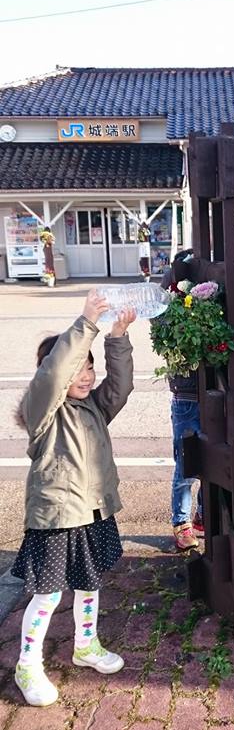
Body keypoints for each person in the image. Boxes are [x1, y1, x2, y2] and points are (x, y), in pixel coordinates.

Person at [12, 289, 136, 706]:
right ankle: (27, 663)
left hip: (92, 511)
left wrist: (117, 336)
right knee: (47, 595)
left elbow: (120, 388)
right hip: (56, 517)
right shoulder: (43, 411)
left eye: (90, 367)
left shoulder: (94, 407)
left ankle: (86, 646)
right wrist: (85, 324)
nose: (86, 376)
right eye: (77, 368)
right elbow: (52, 375)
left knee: (89, 584)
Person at [161, 249, 203, 552]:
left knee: (217, 460)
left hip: (217, 393)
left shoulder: (213, 295)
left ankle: (202, 514)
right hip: (187, 394)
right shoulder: (170, 310)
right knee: (186, 465)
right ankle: (182, 521)